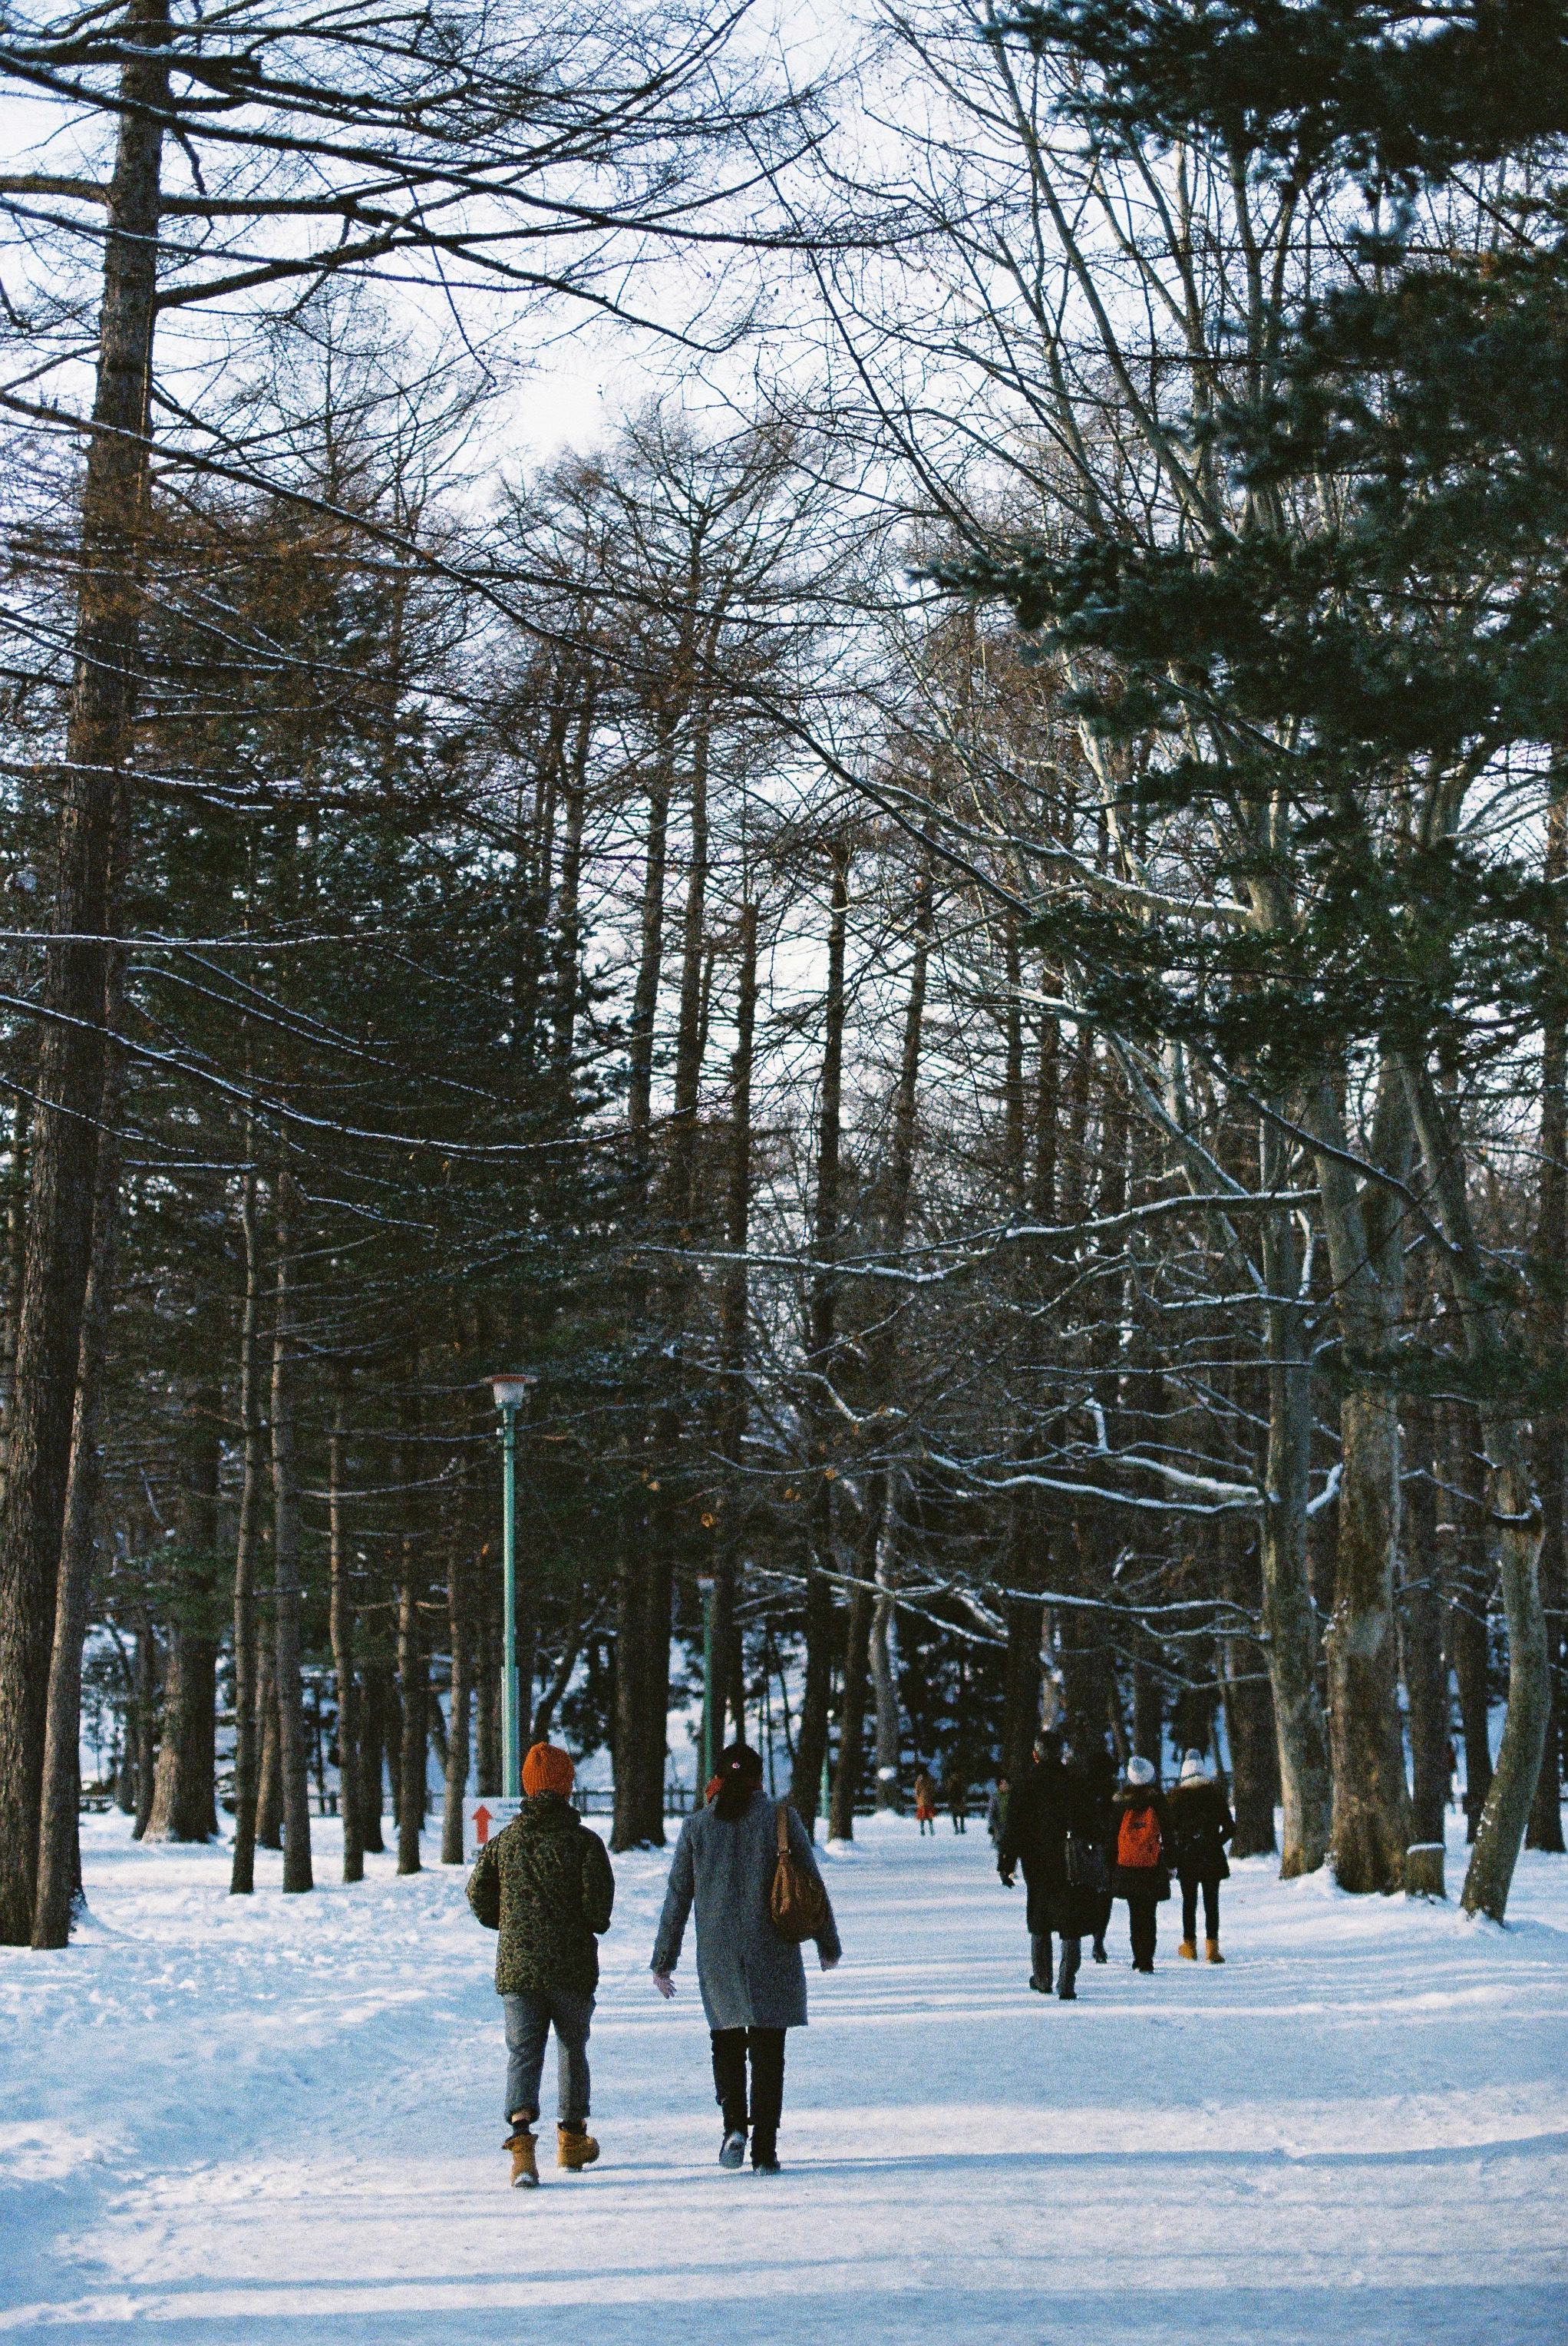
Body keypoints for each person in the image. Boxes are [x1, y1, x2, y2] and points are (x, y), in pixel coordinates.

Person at [651, 1743, 841, 2174]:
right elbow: (810, 1883)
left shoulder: (697, 1826)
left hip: (718, 1955)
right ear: (758, 1779)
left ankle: (734, 2126)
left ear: (717, 1779)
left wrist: (664, 1960)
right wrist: (826, 1944)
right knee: (769, 2050)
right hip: (772, 1949)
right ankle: (765, 2152)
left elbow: (678, 1895)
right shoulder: (780, 1817)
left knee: (728, 2042)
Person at [466, 1739, 615, 2189]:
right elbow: (599, 1912)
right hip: (571, 1968)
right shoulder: (584, 1843)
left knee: (523, 2052)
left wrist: (508, 1924)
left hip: (519, 1970)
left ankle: (521, 2149)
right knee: (572, 2047)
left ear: (530, 1789)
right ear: (568, 1788)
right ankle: (571, 2139)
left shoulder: (505, 1842)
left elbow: (477, 1893)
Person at [997, 1730, 1100, 2000]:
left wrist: (1006, 1862)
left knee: (1040, 1918)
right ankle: (1067, 1980)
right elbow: (1092, 1824)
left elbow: (1012, 1830)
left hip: (1037, 1861)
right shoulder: (1075, 1784)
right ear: (1060, 1753)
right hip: (1070, 1859)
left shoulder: (1024, 1786)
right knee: (1070, 1920)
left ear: (1035, 1755)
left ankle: (1042, 1978)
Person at [1166, 1750, 1235, 1962]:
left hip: (1187, 1858)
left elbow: (1170, 1833)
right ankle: (1212, 1949)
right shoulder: (1214, 1796)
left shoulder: (1176, 1800)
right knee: (1211, 1903)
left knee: (1189, 1902)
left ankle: (1190, 1946)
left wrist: (1177, 1853)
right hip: (1211, 1857)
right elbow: (1230, 1828)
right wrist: (1215, 1842)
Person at [1111, 1753, 1170, 1973]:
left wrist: (1112, 1866)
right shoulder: (1158, 1801)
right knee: (1149, 1912)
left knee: (1135, 1912)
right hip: (1152, 1865)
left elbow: (1111, 1836)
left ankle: (1138, 1955)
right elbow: (1169, 1834)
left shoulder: (1120, 1803)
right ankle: (1147, 1957)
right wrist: (1171, 1862)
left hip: (1127, 1865)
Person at [1078, 1736, 1118, 1964]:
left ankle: (1085, 1934)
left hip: (1087, 1849)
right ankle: (1098, 1939)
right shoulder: (1112, 1794)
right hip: (1108, 1848)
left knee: (1088, 1894)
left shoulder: (1083, 1792)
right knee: (1105, 1897)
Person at [944, 1760, 969, 1834]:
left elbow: (948, 1790)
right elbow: (964, 1788)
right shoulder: (961, 1779)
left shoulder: (950, 1780)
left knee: (954, 1815)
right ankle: (962, 1828)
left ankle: (956, 1829)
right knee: (961, 1815)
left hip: (953, 1799)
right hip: (960, 1798)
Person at [913, 1764, 938, 1835]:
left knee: (922, 1817)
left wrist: (917, 1799)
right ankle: (931, 1829)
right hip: (929, 1800)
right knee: (930, 1816)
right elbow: (932, 1790)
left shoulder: (918, 1781)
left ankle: (922, 1830)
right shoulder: (929, 1780)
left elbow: (917, 1791)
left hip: (921, 1801)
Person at [986, 1774, 1009, 1847]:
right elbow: (991, 1812)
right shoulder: (995, 1797)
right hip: (999, 1825)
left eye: (1006, 1783)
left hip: (1010, 1825)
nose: (1005, 1786)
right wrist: (992, 1825)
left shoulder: (1012, 1796)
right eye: (1002, 1784)